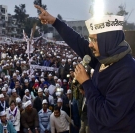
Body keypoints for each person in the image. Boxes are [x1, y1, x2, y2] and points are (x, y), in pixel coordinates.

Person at [35, 5, 135, 133]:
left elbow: (107, 116)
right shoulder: (105, 57)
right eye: (90, 39)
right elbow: (77, 41)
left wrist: (86, 83)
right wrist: (55, 22)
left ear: (108, 41)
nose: (89, 44)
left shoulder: (128, 72)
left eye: (94, 40)